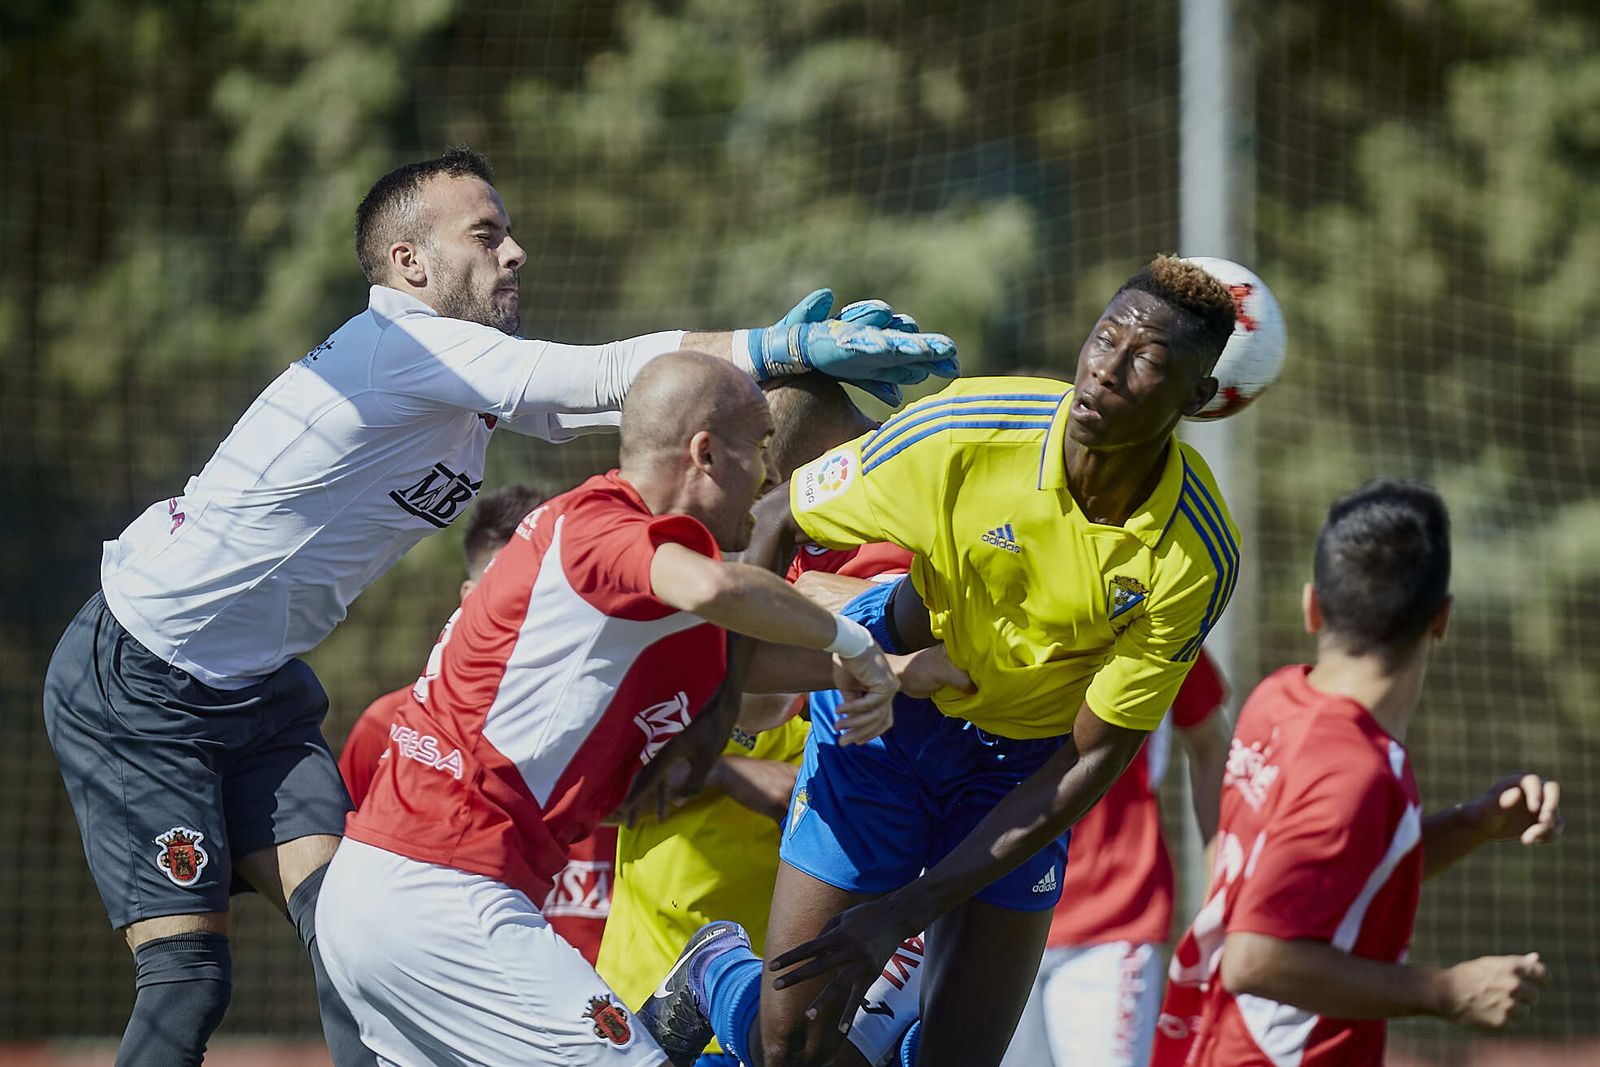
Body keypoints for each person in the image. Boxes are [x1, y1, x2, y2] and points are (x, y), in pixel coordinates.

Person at [39, 144, 958, 1067]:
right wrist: (777, 348)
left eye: (510, 233)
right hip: (140, 671)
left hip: (259, 690)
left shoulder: (463, 383)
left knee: (343, 933)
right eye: (486, 234)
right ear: (410, 264)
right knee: (191, 976)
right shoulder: (397, 346)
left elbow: (598, 407)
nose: (514, 252)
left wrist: (890, 658)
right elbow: (601, 379)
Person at [641, 254, 1243, 1067]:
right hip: (888, 713)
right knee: (793, 1050)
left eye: (1147, 363)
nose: (1107, 372)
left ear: (1198, 399)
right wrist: (717, 712)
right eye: (1105, 340)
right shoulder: (971, 427)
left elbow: (1094, 754)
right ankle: (719, 964)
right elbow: (782, 514)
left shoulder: (1195, 553)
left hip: (1019, 765)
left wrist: (909, 908)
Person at [316, 351, 967, 1067]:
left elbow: (743, 659)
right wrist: (853, 637)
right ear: (705, 453)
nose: (766, 481)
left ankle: (703, 981)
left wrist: (899, 673)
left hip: (401, 893)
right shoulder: (604, 524)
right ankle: (709, 975)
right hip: (443, 893)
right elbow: (721, 591)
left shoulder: (636, 594)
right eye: (759, 454)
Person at [1149, 480, 1561, 1067]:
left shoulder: (1278, 697)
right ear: (1441, 619)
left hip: (1210, 1041)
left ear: (1311, 604)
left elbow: (1334, 875)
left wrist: (1475, 822)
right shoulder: (1356, 771)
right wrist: (1445, 991)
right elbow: (1254, 958)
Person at [595, 375, 915, 1067]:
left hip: (813, 946)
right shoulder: (696, 580)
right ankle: (712, 972)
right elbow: (625, 786)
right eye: (864, 440)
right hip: (648, 987)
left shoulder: (828, 574)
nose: (886, 452)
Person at [339, 482, 619, 966]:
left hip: (605, 1002)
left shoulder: (616, 722)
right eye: (505, 592)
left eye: (545, 598)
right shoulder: (386, 728)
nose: (526, 616)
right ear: (469, 597)